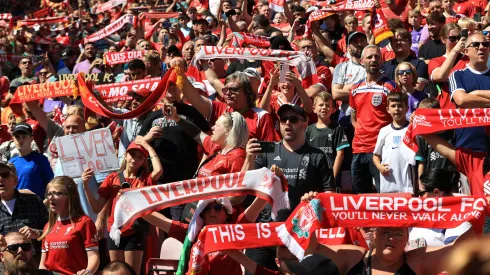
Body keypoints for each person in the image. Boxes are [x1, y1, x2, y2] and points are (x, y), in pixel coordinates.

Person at [242, 104, 334, 272]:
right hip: (265, 232)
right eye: (283, 120)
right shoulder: (267, 151)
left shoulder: (317, 156)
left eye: (293, 119)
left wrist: (316, 199)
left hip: (297, 235)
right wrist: (248, 159)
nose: (287, 123)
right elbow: (244, 188)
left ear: (304, 124)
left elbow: (330, 196)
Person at [298, 191, 473, 275]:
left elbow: (460, 249)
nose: (391, 238)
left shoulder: (416, 260)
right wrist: (309, 211)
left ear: (407, 238)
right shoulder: (355, 257)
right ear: (374, 233)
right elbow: (310, 249)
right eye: (385, 232)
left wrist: (478, 213)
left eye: (398, 234)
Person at [81, 140, 162, 275]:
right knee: (115, 273)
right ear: (125, 155)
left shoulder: (144, 179)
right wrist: (85, 185)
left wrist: (147, 146)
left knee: (132, 273)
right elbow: (96, 207)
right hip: (115, 232)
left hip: (134, 231)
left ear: (144, 161)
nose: (135, 159)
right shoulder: (112, 178)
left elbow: (158, 170)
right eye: (132, 154)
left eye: (140, 157)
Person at [143, 196, 268, 274]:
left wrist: (270, 182)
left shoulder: (234, 232)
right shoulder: (192, 233)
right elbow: (160, 221)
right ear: (201, 214)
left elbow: (255, 208)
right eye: (207, 208)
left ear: (227, 214)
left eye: (218, 207)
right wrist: (130, 205)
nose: (212, 211)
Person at [175, 57, 278, 142]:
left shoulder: (261, 116)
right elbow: (194, 97)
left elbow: (268, 150)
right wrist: (179, 72)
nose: (228, 93)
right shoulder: (222, 109)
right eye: (225, 90)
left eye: (233, 89)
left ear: (247, 91)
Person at [349, 45, 398, 194]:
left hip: (381, 151)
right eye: (369, 57)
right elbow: (353, 117)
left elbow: (396, 117)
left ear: (382, 61)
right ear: (362, 60)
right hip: (358, 149)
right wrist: (361, 132)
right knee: (360, 197)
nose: (373, 60)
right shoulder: (355, 89)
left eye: (377, 56)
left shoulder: (390, 87)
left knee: (384, 195)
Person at [164, 104, 248, 178]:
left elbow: (236, 191)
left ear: (228, 131)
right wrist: (176, 118)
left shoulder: (237, 158)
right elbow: (197, 133)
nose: (212, 128)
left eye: (217, 125)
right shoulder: (217, 147)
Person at [39, 176, 100, 275]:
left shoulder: (84, 222)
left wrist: (88, 271)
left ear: (70, 196)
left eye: (57, 193)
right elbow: (43, 264)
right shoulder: (48, 226)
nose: (51, 197)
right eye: (49, 194)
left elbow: (93, 255)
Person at [449, 33, 490, 152]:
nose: (481, 47)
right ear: (466, 51)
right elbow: (461, 100)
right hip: (467, 147)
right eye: (476, 44)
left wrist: (475, 93)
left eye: (485, 44)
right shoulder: (457, 75)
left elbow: (467, 100)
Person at [409, 169, 472, 247]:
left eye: (421, 193)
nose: (419, 197)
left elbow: (453, 250)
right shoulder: (418, 213)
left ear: (436, 193)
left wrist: (416, 248)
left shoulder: (459, 215)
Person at [0, 161, 48, 259]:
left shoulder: (33, 201)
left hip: (34, 265)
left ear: (15, 180)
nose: (0, 179)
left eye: (5, 175)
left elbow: (53, 232)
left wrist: (37, 233)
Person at [306, 92, 350, 191]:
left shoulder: (337, 128)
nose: (324, 108)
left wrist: (332, 177)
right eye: (321, 105)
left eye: (327, 105)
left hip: (331, 177)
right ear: (314, 109)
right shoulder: (309, 130)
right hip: (313, 177)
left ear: (333, 109)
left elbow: (340, 154)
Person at [373, 92, 414, 194]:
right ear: (388, 109)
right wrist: (379, 167)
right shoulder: (384, 131)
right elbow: (376, 155)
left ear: (407, 108)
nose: (397, 109)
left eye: (400, 106)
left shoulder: (412, 129)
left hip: (407, 185)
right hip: (387, 184)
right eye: (393, 106)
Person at [260, 67, 313, 133]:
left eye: (290, 81)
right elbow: (262, 111)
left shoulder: (302, 99)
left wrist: (298, 84)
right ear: (278, 84)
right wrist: (271, 84)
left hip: (298, 140)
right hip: (277, 141)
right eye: (283, 81)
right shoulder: (273, 98)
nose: (286, 84)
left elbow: (309, 109)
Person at [428, 23, 468, 109]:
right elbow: (440, 76)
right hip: (445, 110)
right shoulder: (436, 61)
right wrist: (455, 51)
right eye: (452, 38)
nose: (457, 41)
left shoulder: (468, 59)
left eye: (459, 38)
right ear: (443, 39)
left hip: (466, 111)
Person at [9, 123, 53, 198]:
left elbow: (51, 185)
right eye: (17, 137)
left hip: (36, 207)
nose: (20, 140)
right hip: (15, 207)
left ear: (31, 138)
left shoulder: (41, 159)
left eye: (24, 137)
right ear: (13, 139)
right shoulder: (11, 162)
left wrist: (44, 204)